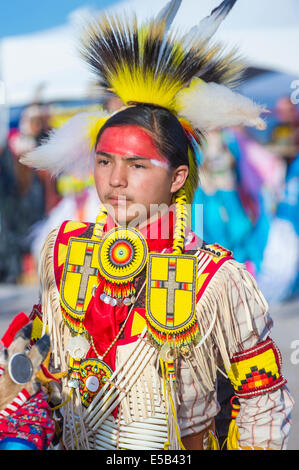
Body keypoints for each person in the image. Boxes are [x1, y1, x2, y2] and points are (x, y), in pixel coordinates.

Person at [0, 0, 294, 451]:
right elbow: (45, 372)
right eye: (104, 161)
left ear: (177, 177)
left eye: (137, 165)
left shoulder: (214, 281)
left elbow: (262, 401)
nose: (115, 180)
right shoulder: (65, 254)